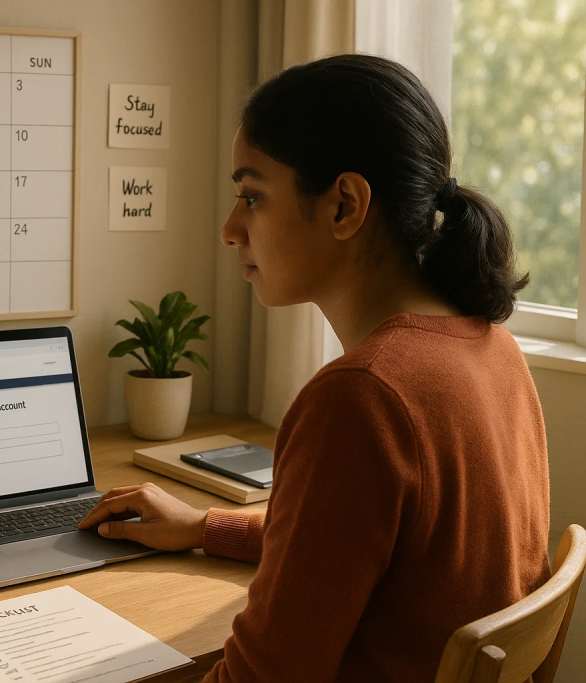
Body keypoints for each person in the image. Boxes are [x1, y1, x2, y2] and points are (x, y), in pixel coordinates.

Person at [78, 54, 551, 682]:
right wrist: (204, 526)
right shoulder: (493, 348)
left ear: (345, 205)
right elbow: (356, 550)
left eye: (252, 195)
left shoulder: (363, 398)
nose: (229, 228)